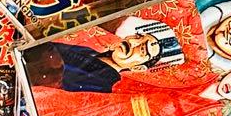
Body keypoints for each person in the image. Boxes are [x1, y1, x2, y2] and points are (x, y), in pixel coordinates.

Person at [24, 17, 183, 94]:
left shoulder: (104, 84)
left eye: (142, 50)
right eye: (138, 37)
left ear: (139, 68)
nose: (134, 43)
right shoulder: (90, 52)